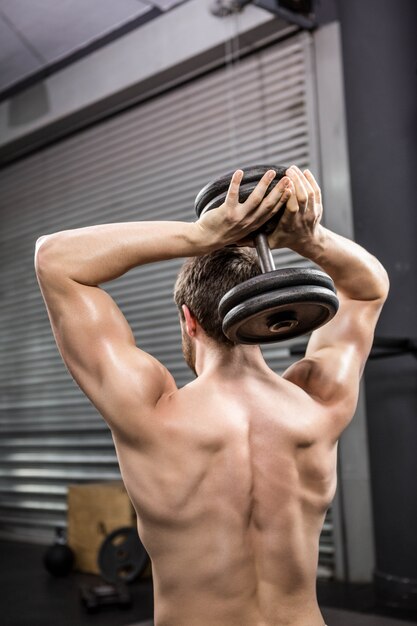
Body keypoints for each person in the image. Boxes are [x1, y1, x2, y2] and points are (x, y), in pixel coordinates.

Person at [34, 165, 389, 626]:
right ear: (268, 310)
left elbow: (54, 259)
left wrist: (203, 234)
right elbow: (367, 291)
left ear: (189, 319)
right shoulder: (317, 402)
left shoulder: (154, 413)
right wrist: (308, 239)